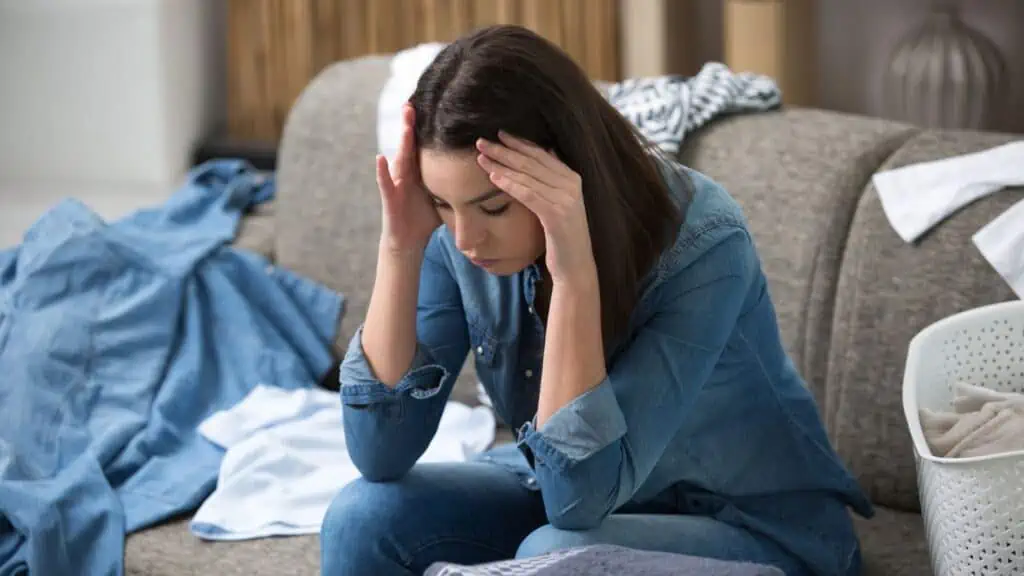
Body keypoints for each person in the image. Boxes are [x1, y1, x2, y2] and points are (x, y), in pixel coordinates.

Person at [320, 24, 873, 576]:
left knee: (555, 555)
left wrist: (573, 274)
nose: (465, 240)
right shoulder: (459, 237)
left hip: (750, 530)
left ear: (566, 170)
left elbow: (577, 500)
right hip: (570, 501)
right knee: (361, 517)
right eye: (441, 203)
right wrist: (401, 246)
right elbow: (379, 453)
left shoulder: (704, 242)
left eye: (493, 208)